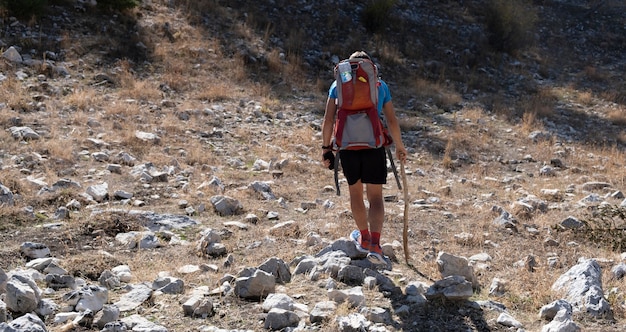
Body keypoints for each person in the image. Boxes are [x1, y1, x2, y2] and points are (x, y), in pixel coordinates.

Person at [321, 51, 407, 265]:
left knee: (356, 194)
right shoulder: (380, 86)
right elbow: (392, 120)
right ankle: (376, 245)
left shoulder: (337, 86)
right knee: (376, 197)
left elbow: (328, 119)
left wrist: (325, 149)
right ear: (370, 66)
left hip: (347, 147)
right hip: (374, 146)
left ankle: (364, 238)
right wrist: (399, 146)